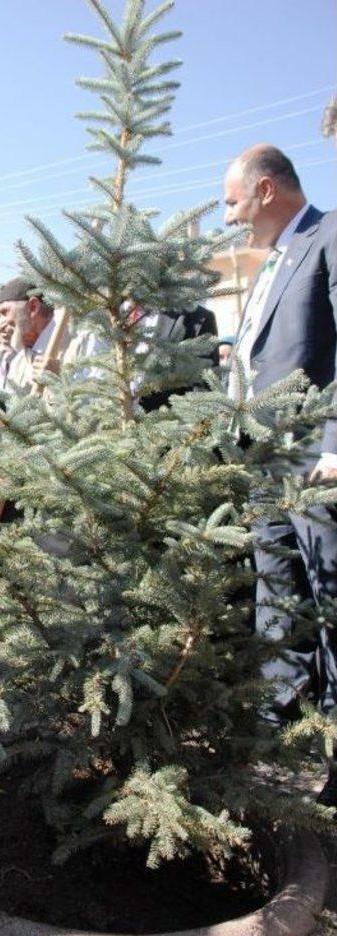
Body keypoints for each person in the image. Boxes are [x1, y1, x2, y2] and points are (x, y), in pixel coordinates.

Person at [223, 144, 337, 801]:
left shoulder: (328, 236)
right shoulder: (272, 262)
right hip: (263, 457)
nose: (231, 217)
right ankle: (280, 730)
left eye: (234, 202)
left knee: (327, 600)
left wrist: (333, 442)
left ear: (266, 191)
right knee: (277, 593)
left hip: (312, 460)